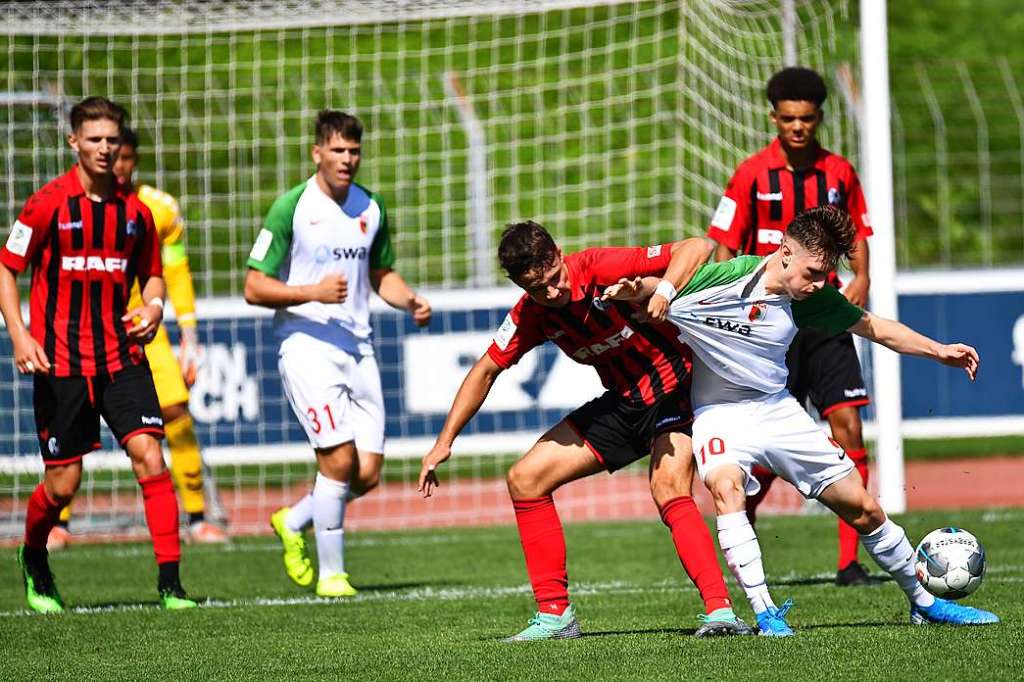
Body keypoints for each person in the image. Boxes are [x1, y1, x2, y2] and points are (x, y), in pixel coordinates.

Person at [604, 205, 999, 635]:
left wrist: (939, 350)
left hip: (778, 411)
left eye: (824, 275)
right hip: (719, 415)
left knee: (864, 509)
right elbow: (653, 287)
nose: (818, 285)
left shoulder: (812, 300)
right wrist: (635, 290)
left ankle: (925, 603)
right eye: (813, 272)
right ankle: (765, 612)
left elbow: (875, 328)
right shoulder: (726, 276)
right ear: (785, 253)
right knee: (725, 487)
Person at [417, 220, 751, 641]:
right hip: (627, 403)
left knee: (667, 486)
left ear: (559, 255)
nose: (552, 293)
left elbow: (697, 246)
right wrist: (443, 443)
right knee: (525, 479)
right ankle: (555, 616)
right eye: (538, 289)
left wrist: (663, 291)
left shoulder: (600, 267)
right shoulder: (532, 313)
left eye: (555, 279)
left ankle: (720, 612)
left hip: (679, 389)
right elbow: (485, 370)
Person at [0, 96, 196, 612]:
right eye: (95, 140)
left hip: (123, 357)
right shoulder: (47, 204)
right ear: (74, 143)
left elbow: (153, 273)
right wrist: (19, 335)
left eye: (112, 140)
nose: (105, 149)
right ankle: (35, 558)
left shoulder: (136, 214)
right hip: (61, 361)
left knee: (150, 455)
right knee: (63, 484)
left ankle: (171, 586)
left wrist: (154, 306)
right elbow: (6, 268)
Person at [245, 110, 431, 598]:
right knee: (338, 459)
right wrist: (311, 292)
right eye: (338, 150)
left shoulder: (372, 207)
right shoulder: (291, 207)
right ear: (317, 153)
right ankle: (333, 576)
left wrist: (409, 298)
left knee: (366, 474)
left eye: (354, 151)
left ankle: (294, 519)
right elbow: (253, 286)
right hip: (306, 344)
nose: (347, 159)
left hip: (358, 346)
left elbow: (381, 274)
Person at [706, 67, 876, 585]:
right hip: (768, 324)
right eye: (787, 119)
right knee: (758, 443)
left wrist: (862, 276)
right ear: (773, 118)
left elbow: (858, 230)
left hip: (822, 316)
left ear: (819, 117)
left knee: (847, 428)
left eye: (806, 118)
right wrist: (729, 304)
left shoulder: (840, 172)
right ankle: (742, 557)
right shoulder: (751, 173)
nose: (797, 127)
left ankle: (851, 562)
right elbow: (723, 244)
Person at [47, 127, 229, 549]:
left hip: (147, 332)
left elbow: (175, 273)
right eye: (114, 154)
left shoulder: (159, 209)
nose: (119, 164)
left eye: (127, 156)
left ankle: (198, 516)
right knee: (74, 427)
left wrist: (189, 337)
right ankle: (59, 522)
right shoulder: (75, 204)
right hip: (85, 332)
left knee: (177, 412)